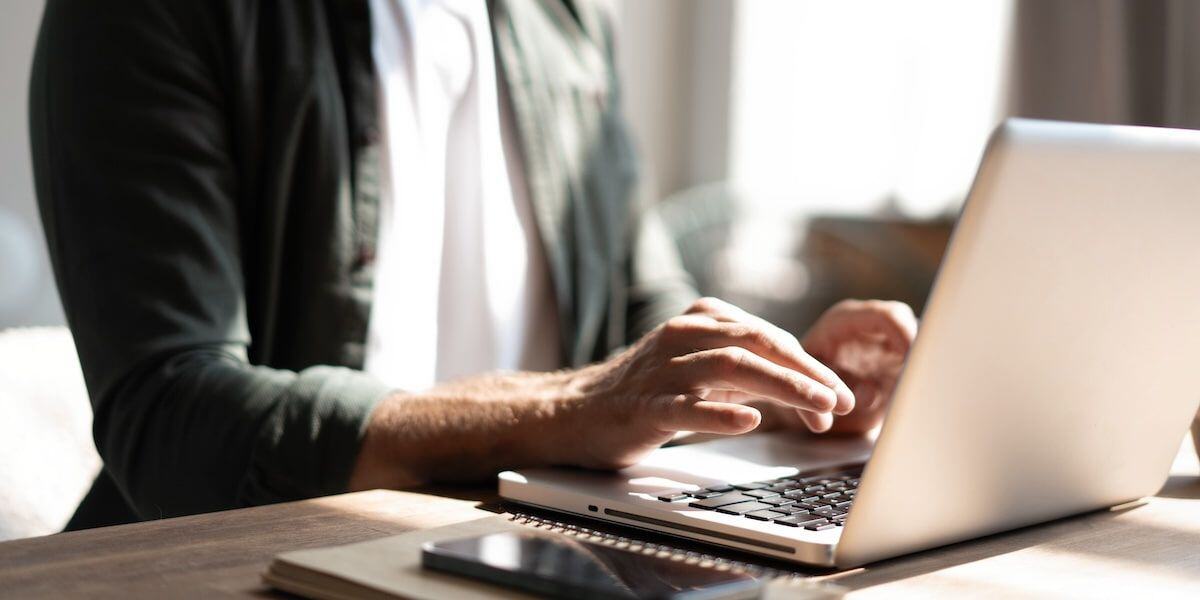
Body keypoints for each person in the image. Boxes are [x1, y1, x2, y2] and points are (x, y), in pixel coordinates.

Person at [29, 0, 917, 530]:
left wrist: (775, 381)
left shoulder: (563, 18)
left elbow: (636, 308)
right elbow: (171, 411)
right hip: (253, 561)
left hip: (527, 549)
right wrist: (566, 410)